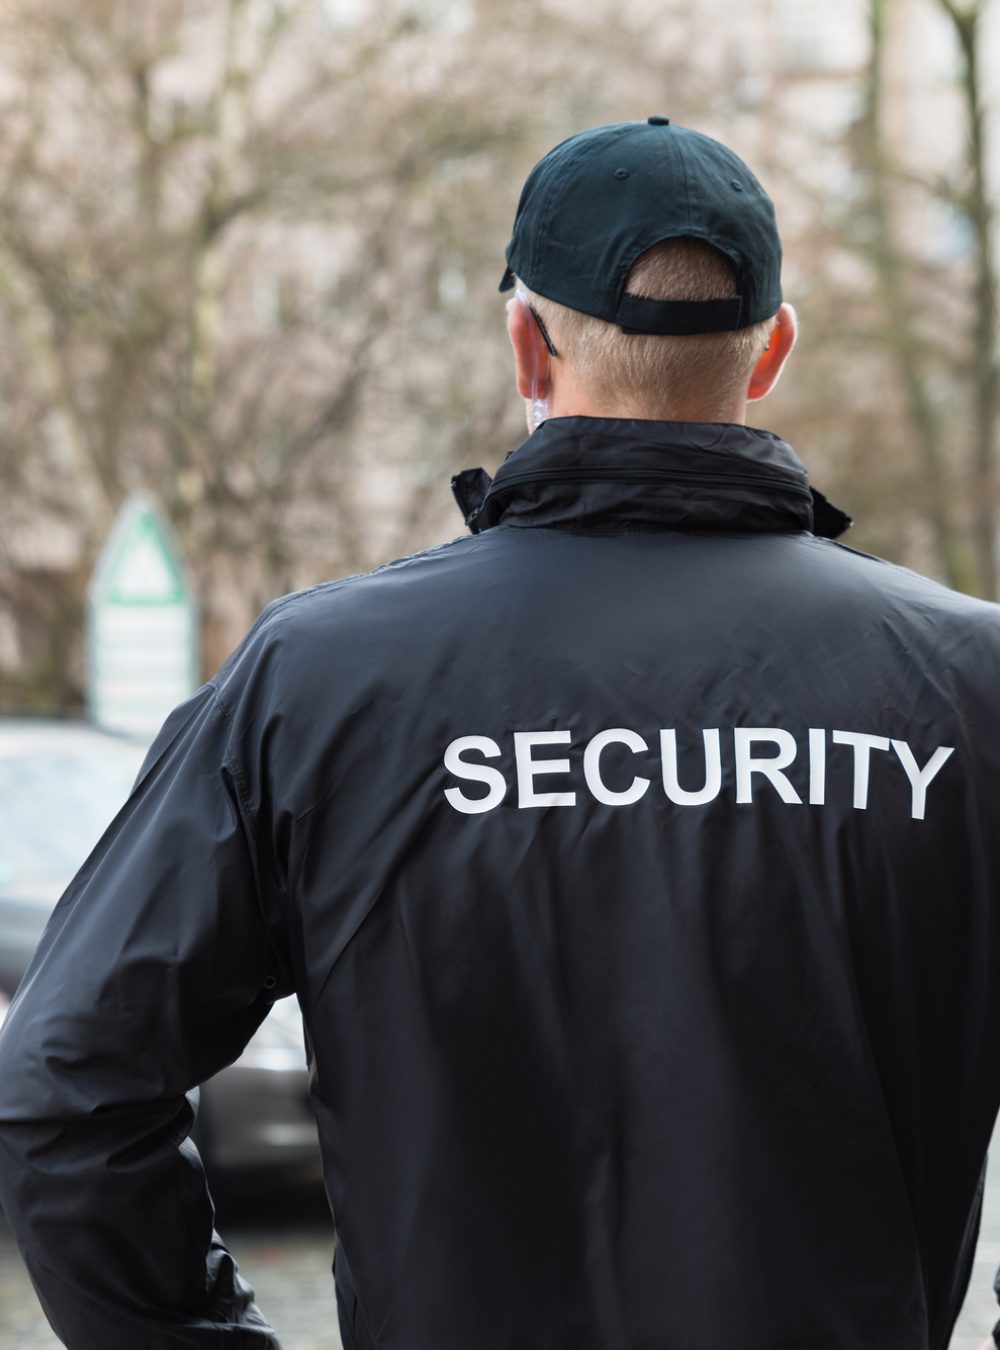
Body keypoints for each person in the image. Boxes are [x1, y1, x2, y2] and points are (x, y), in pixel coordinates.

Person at [0, 115, 998, 1350]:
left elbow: (66, 1082)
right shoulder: (965, 684)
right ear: (773, 348)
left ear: (525, 342)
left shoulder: (323, 677)